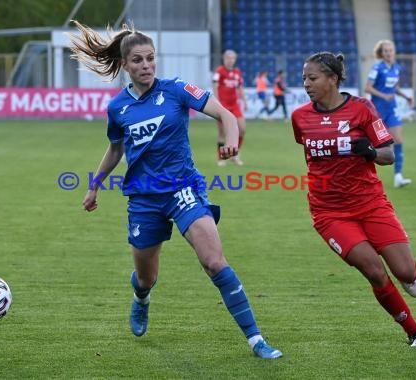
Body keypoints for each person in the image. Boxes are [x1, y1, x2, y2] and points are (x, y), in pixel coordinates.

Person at [67, 21, 282, 359]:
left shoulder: (177, 89)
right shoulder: (118, 108)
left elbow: (224, 115)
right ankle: (141, 299)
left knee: (214, 261)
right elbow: (115, 149)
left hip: (184, 187)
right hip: (143, 198)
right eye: (137, 60)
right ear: (125, 65)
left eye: (151, 58)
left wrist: (232, 142)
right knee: (146, 277)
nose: (146, 66)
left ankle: (257, 341)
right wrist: (94, 187)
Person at [291, 51, 416, 348]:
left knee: (404, 272)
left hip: (371, 203)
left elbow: (388, 155)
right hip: (329, 212)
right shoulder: (300, 117)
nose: (306, 84)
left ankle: (409, 273)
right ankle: (414, 332)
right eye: (303, 78)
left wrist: (369, 152)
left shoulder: (362, 109)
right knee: (374, 270)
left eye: (312, 78)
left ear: (333, 79)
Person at [365, 39, 413, 188]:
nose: (389, 53)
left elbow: (394, 88)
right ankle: (365, 176)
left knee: (398, 140)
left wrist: (405, 96)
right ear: (382, 53)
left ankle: (398, 176)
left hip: (391, 109)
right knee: (373, 144)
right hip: (378, 110)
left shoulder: (396, 68)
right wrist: (383, 96)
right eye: (386, 51)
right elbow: (368, 88)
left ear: (394, 52)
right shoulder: (377, 68)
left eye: (391, 50)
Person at [213, 49, 247, 166]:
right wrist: (217, 103)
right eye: (228, 58)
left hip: (234, 105)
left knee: (242, 129)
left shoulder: (237, 72)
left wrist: (245, 101)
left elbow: (239, 87)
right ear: (224, 59)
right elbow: (215, 86)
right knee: (223, 132)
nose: (230, 60)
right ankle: (221, 158)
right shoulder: (219, 71)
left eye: (232, 58)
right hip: (223, 106)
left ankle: (234, 154)